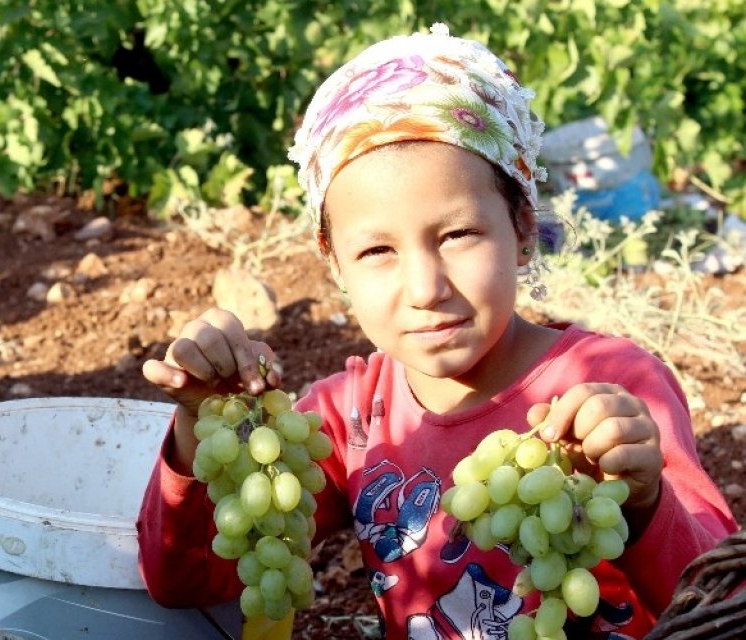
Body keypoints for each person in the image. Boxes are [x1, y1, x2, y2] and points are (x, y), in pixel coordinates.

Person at [135, 24, 737, 640]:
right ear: (334, 263)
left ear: (524, 230)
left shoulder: (611, 393)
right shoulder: (348, 421)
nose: (426, 288)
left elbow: (727, 602)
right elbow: (188, 585)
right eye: (376, 251)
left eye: (457, 235)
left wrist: (643, 503)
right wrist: (198, 431)